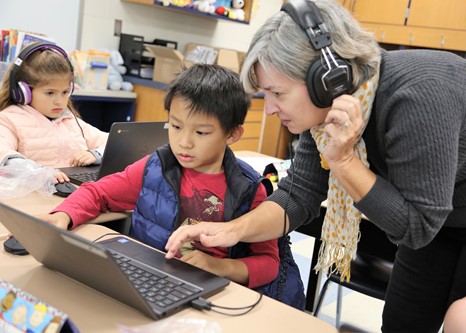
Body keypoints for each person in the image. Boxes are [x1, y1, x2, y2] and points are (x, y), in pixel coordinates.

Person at [164, 0, 466, 331]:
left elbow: (417, 226)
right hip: (434, 221)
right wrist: (229, 230)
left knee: (463, 321)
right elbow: (299, 196)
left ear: (325, 79)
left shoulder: (419, 96)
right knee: (401, 324)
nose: (269, 109)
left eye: (277, 93)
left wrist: (344, 161)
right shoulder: (327, 113)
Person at [39, 64, 305, 310]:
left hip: (213, 297)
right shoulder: (156, 166)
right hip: (149, 281)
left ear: (232, 134)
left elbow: (268, 264)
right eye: (176, 126)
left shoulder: (247, 189)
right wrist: (63, 216)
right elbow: (99, 192)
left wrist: (219, 266)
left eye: (201, 133)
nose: (184, 142)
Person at [0, 42, 108, 184]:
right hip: (35, 195)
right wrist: (38, 173)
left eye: (64, 92)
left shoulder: (70, 120)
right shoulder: (9, 119)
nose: (59, 101)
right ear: (24, 92)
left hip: (74, 192)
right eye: (50, 93)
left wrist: (96, 154)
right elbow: (4, 155)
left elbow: (112, 143)